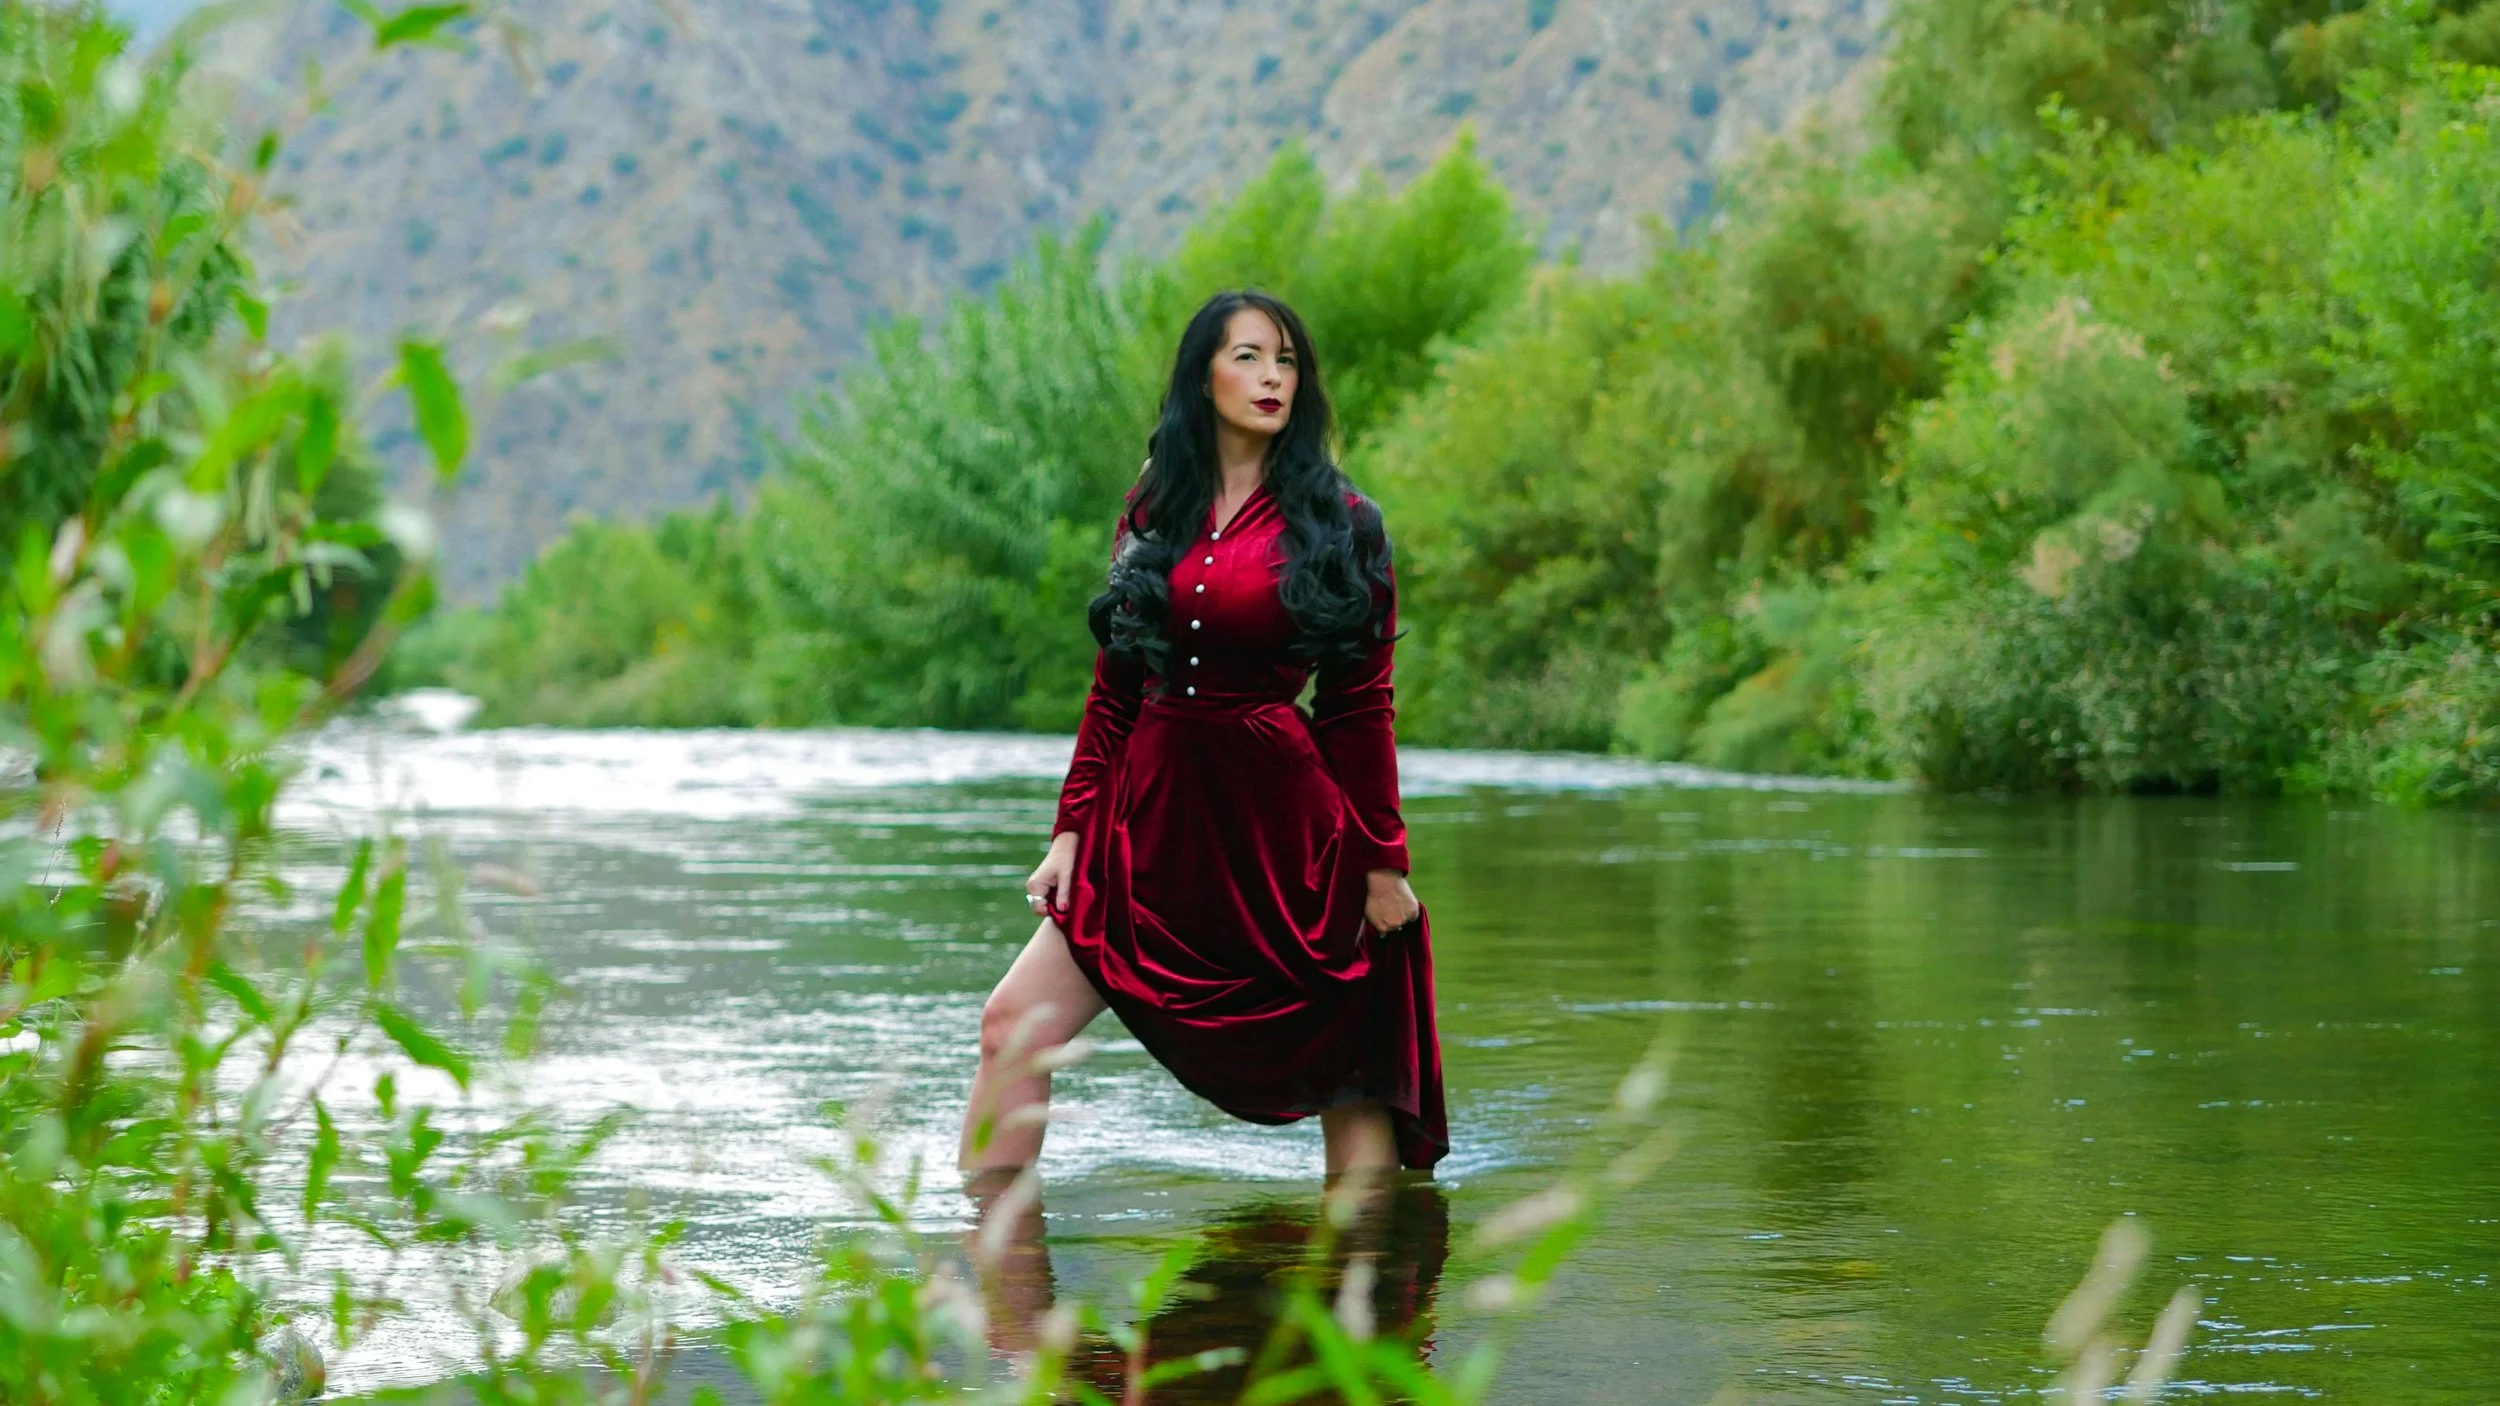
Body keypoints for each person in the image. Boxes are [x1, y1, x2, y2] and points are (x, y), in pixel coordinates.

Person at [957, 289, 1448, 1180]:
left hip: (1284, 839)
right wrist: (1070, 829)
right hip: (1142, 823)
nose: (1273, 378)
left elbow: (1357, 703)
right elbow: (1116, 685)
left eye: (1288, 360)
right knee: (1011, 1027)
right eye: (1250, 356)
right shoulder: (1154, 506)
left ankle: (1368, 1294)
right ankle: (1001, 1289)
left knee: (1354, 1079)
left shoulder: (1344, 521)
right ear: (1202, 376)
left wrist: (1382, 864)